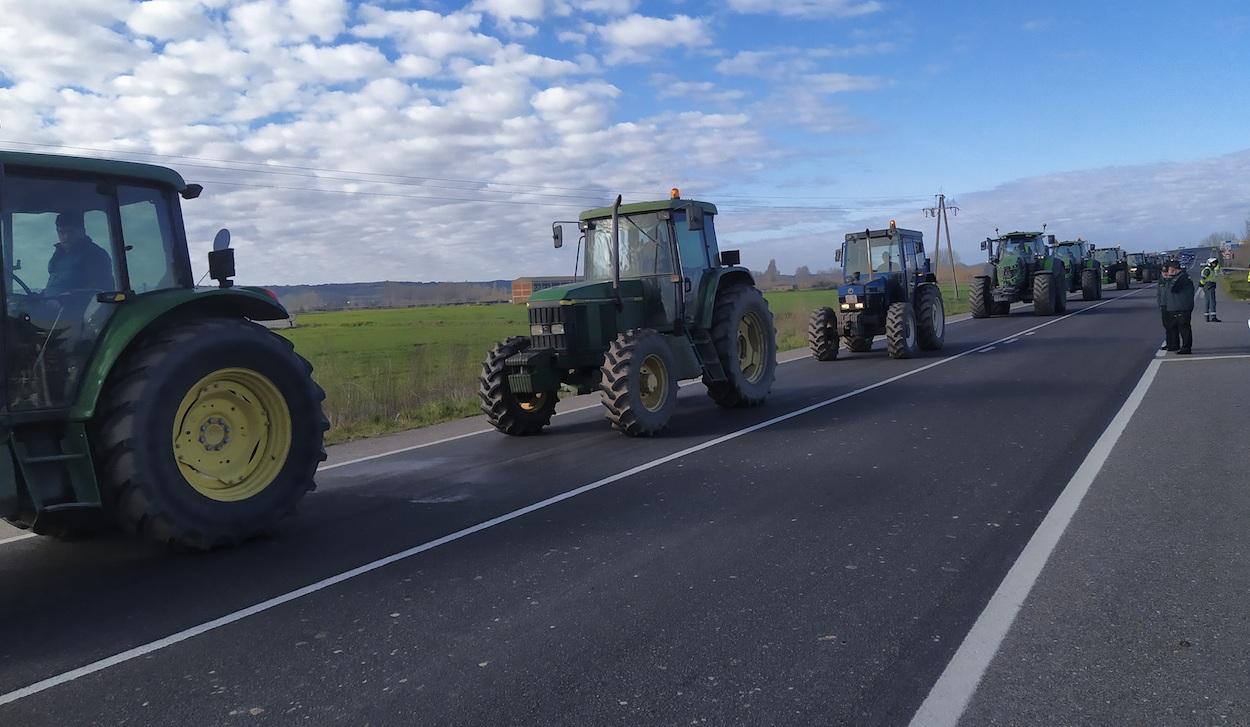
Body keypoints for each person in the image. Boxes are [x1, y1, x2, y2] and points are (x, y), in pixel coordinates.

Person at [45, 213, 114, 296]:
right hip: (50, 305)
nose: (66, 237)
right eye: (62, 232)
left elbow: (100, 289)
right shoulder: (58, 256)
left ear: (82, 231)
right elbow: (53, 287)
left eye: (71, 232)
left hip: (79, 308)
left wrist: (66, 299)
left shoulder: (95, 255)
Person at [1158, 259, 1194, 354]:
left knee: (1184, 328)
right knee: (1174, 327)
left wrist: (1168, 278)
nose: (1167, 271)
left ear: (1173, 269)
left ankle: (1186, 348)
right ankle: (1175, 345)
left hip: (1182, 308)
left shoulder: (1181, 278)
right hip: (1176, 307)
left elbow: (1173, 289)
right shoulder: (1176, 278)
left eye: (1169, 269)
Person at [1198, 256, 1221, 322]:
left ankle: (1207, 317)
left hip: (1208, 286)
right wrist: (1202, 284)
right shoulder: (1208, 270)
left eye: (1215, 263)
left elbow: (1217, 268)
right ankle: (1213, 317)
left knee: (1207, 302)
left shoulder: (1211, 269)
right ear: (1209, 263)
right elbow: (1203, 278)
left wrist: (1202, 285)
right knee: (1212, 302)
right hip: (1209, 286)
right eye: (1213, 263)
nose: (1215, 264)